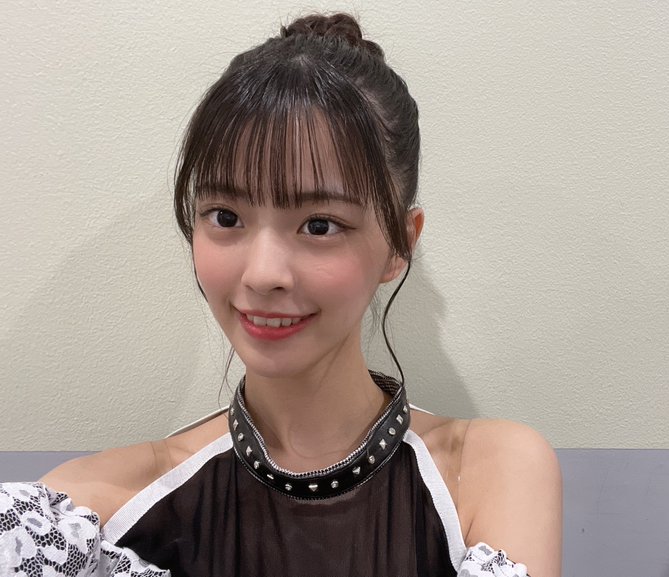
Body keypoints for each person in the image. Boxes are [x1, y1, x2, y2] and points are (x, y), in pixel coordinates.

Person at [0, 13, 562, 577]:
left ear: (400, 244)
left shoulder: (488, 475)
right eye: (225, 217)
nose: (263, 274)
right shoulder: (84, 519)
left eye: (319, 225)